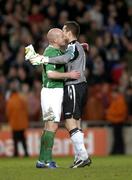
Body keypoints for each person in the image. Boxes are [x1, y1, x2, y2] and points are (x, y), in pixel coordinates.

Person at [25, 21, 91, 168]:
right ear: (55, 40)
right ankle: (46, 160)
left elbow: (70, 53)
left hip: (57, 92)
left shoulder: (60, 50)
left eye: (64, 33)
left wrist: (81, 46)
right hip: (50, 93)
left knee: (50, 125)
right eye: (61, 35)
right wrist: (69, 74)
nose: (64, 37)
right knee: (51, 126)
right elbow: (50, 74)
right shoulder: (50, 51)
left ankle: (42, 160)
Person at [6, 78, 29, 157]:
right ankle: (26, 152)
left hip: (14, 124)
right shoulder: (22, 99)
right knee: (23, 139)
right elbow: (26, 109)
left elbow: (8, 112)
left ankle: (16, 153)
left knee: (15, 140)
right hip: (22, 123)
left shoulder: (10, 101)